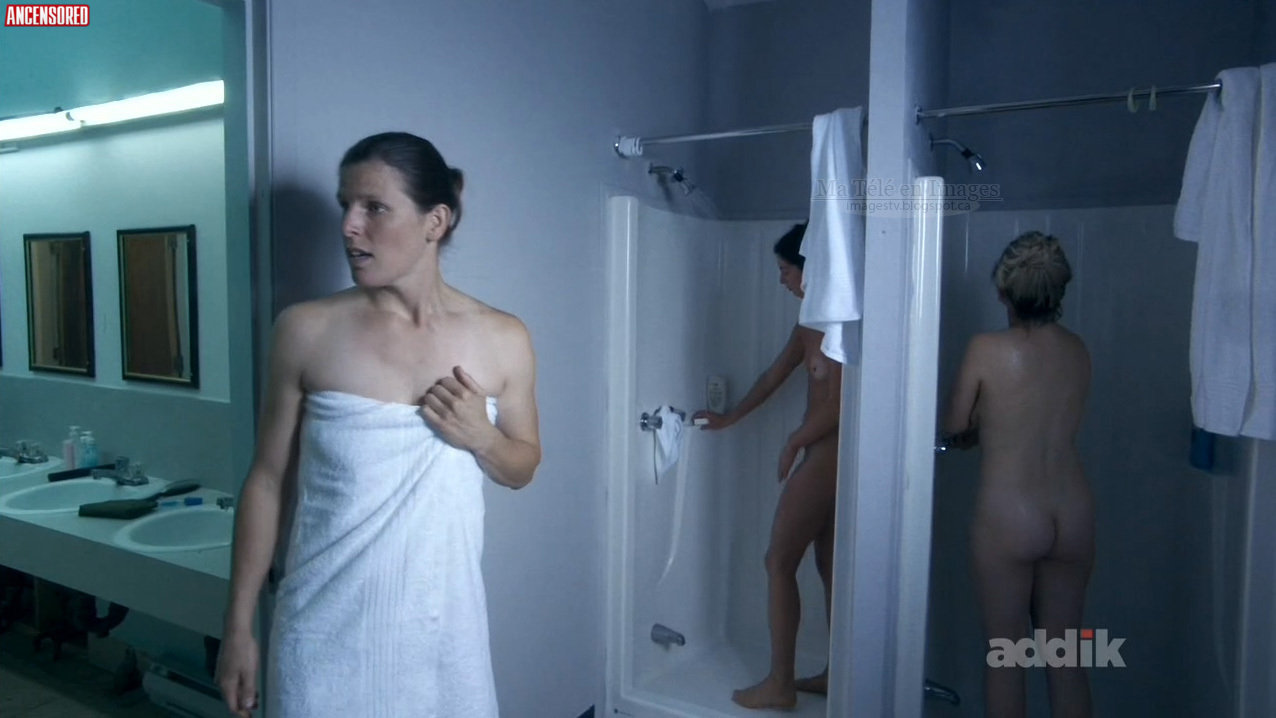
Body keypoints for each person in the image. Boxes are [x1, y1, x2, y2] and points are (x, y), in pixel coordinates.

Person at [215, 131, 542, 718]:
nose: (348, 226)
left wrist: (483, 437)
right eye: (345, 205)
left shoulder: (502, 338)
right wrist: (238, 626)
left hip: (443, 632)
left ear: (435, 221)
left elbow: (522, 467)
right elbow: (267, 481)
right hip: (322, 632)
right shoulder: (306, 331)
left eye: (374, 207)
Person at [942, 231, 1093, 718]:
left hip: (1010, 513)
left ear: (1003, 292)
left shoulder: (985, 349)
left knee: (1007, 659)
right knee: (1065, 658)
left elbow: (955, 426)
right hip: (1073, 513)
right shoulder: (1077, 349)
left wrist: (981, 421)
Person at [693, 223, 843, 711]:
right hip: (824, 455)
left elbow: (842, 402)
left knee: (778, 560)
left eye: (785, 270)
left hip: (830, 456)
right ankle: (839, 672)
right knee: (828, 564)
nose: (781, 280)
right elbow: (772, 377)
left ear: (809, 269)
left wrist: (794, 441)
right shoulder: (810, 323)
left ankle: (780, 682)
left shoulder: (841, 322)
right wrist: (729, 418)